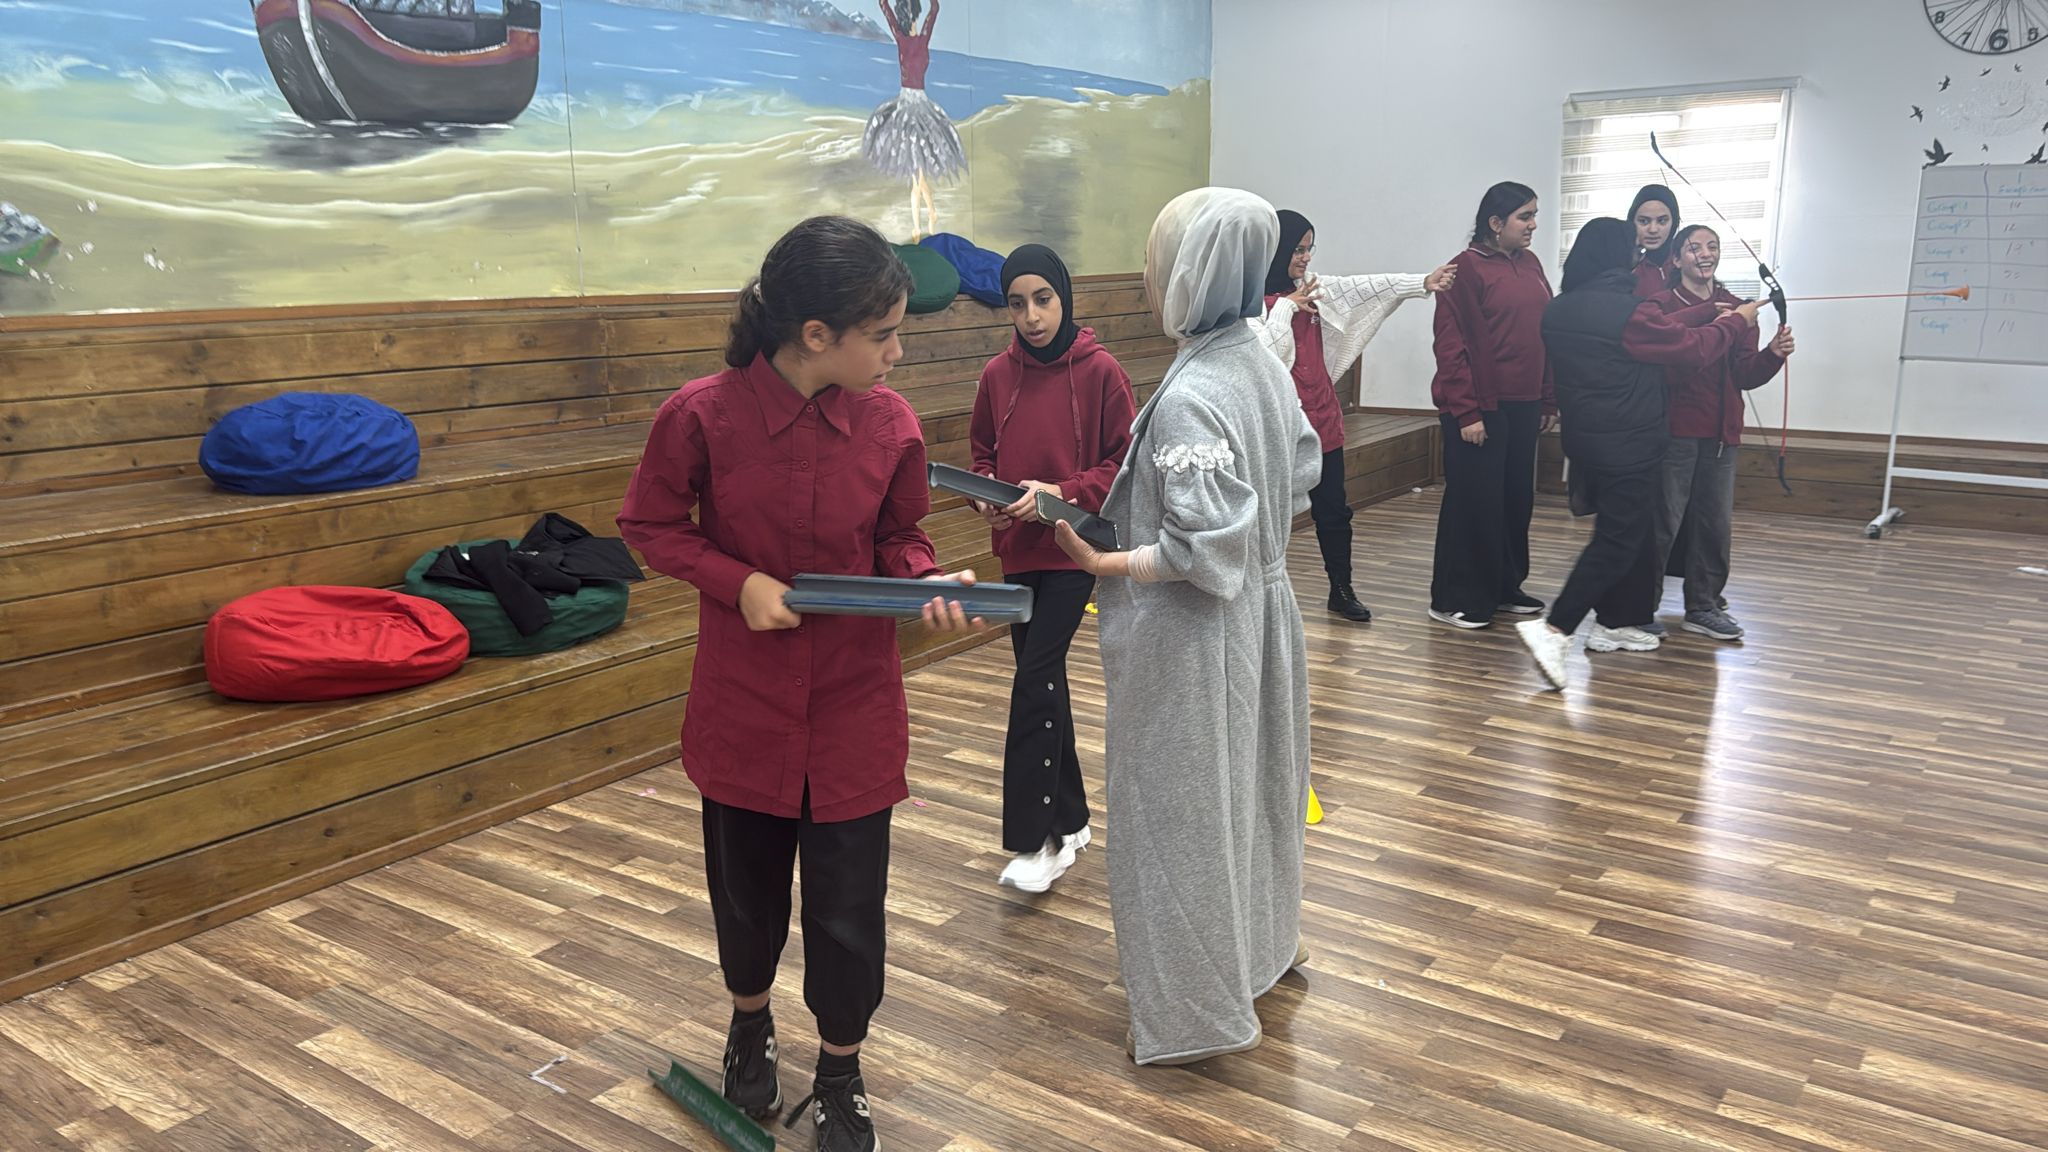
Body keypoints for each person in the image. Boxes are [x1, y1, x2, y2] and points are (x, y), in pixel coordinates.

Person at [617, 216, 984, 1152]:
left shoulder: (892, 424)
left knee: (850, 911)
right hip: (743, 708)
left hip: (855, 708)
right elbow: (650, 525)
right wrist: (737, 582)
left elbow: (900, 538)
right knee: (745, 897)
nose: (898, 354)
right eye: (884, 335)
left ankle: (841, 1071)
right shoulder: (701, 415)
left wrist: (923, 583)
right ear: (816, 335)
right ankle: (749, 1023)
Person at [1050, 186, 1321, 1067]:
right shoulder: (1259, 360)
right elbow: (1303, 466)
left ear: (1189, 271)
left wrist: (1104, 564)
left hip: (1198, 638)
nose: (1145, 270)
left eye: (1155, 255)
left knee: (1182, 818)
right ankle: (1257, 954)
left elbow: (1202, 549)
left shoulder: (1192, 394)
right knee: (1254, 798)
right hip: (1264, 616)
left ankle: (1194, 1011)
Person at [1516, 217, 1760, 691]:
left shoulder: (1561, 308)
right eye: (1631, 246)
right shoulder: (1625, 312)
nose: (1638, 254)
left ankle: (1616, 621)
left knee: (1637, 532)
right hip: (1627, 442)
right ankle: (1556, 629)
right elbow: (1688, 349)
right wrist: (1733, 323)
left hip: (1587, 439)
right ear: (1615, 254)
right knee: (1617, 540)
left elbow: (1652, 327)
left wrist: (1709, 310)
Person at [969, 243, 1136, 893]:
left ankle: (1041, 841)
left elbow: (1121, 468)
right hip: (1018, 552)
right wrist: (985, 495)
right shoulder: (996, 374)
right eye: (1017, 304)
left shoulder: (1102, 372)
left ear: (1064, 297)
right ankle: (1072, 818)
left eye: (1042, 299)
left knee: (1034, 680)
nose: (1031, 316)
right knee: (1043, 683)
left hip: (1075, 550)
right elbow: (982, 454)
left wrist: (1059, 492)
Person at [1253, 209, 1457, 622]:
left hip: (1322, 418)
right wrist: (1286, 308)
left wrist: (1421, 283)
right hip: (1278, 427)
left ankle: (1341, 590)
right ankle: (1260, 596)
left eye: (1310, 248)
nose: (1306, 257)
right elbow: (1264, 357)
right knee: (1268, 516)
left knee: (1334, 512)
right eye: (1298, 249)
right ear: (1274, 249)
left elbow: (1363, 287)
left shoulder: (1312, 289)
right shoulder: (1250, 304)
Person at [1651, 224, 1794, 641]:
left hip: (1721, 435)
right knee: (1662, 522)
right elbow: (1669, 362)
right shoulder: (1662, 306)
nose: (1705, 254)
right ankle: (1640, 606)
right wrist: (1715, 324)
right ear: (1676, 259)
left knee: (1714, 525)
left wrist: (1772, 355)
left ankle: (1703, 606)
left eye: (1712, 246)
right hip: (1674, 432)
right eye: (1693, 248)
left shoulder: (1739, 309)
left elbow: (1744, 375)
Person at [1427, 181, 1555, 630]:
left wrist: (1547, 397)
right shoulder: (1463, 269)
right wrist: (1467, 411)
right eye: (1525, 216)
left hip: (1524, 404)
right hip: (1480, 407)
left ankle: (1504, 587)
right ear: (1496, 223)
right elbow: (1451, 345)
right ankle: (1455, 598)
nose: (1533, 224)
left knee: (1514, 500)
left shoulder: (1531, 264)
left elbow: (1545, 333)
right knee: (1474, 503)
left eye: (1535, 215)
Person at [865, 0, 964, 240]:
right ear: (913, 18)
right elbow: (928, 10)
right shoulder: (916, 38)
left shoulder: (909, 38)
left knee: (916, 172)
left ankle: (922, 224)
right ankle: (926, 219)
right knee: (916, 172)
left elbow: (929, 10)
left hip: (916, 105)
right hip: (910, 106)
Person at [1629, 184, 1681, 298]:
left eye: (1662, 221)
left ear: (1674, 223)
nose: (1653, 230)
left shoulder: (1687, 263)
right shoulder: (1623, 267)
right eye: (1643, 221)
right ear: (1631, 222)